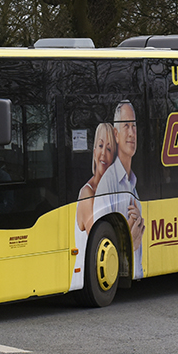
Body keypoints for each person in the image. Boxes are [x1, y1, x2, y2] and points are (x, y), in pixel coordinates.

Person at [92, 101, 144, 279]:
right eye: (126, 126)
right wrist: (130, 241)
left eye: (134, 126)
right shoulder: (108, 184)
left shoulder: (133, 183)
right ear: (116, 133)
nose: (131, 133)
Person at [70, 123, 117, 291]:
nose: (103, 153)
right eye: (100, 145)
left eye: (109, 149)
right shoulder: (87, 194)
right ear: (94, 150)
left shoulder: (112, 191)